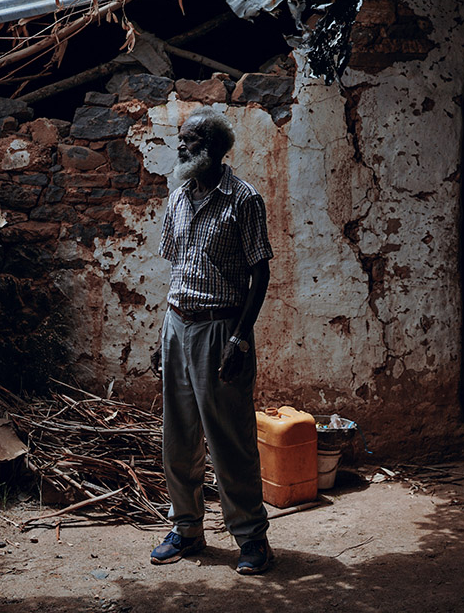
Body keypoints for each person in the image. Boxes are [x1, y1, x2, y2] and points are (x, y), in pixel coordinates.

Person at [149, 105, 275, 575]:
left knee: (229, 441)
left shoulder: (244, 199)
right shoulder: (178, 198)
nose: (181, 147)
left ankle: (251, 539)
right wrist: (165, 335)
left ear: (216, 150)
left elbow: (259, 272)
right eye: (181, 139)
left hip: (222, 328)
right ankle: (186, 530)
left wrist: (240, 340)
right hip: (177, 323)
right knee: (178, 439)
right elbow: (177, 269)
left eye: (192, 141)